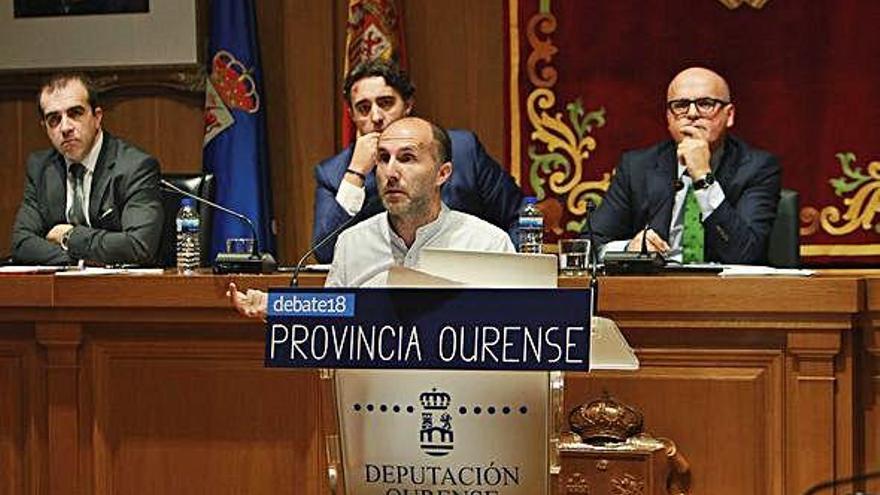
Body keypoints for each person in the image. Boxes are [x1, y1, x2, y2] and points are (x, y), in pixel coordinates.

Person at [229, 117, 514, 318]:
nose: (390, 172)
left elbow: (517, 331)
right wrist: (275, 306)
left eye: (406, 158)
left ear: (443, 173)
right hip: (372, 397)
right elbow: (331, 315)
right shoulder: (352, 243)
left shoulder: (488, 244)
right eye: (382, 158)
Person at [311, 60, 522, 263]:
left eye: (386, 103)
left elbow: (518, 215)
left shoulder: (463, 151)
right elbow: (325, 252)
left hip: (465, 278)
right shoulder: (335, 172)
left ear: (408, 105)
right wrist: (356, 173)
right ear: (352, 116)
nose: (376, 117)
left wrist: (503, 270)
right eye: (364, 108)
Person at [589, 67, 781, 264]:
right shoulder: (637, 167)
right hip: (655, 288)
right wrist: (628, 249)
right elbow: (589, 244)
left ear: (729, 115)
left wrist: (702, 176)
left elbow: (746, 254)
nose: (691, 113)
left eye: (705, 104)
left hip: (724, 290)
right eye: (680, 105)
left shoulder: (758, 168)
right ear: (669, 118)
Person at [10, 72, 163, 266]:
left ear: (97, 117)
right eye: (54, 119)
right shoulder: (41, 167)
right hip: (62, 290)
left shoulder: (135, 167)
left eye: (75, 113)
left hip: (123, 290)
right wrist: (79, 261)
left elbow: (139, 245)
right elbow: (22, 242)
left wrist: (69, 236)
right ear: (45, 127)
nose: (65, 127)